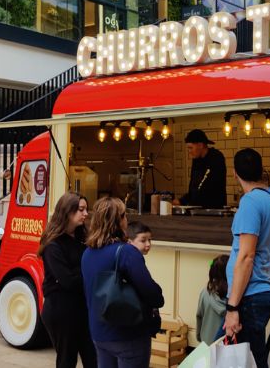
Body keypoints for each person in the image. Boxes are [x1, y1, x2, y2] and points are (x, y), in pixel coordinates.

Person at [220, 148, 270, 368]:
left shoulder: (250, 203)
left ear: (235, 174)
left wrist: (232, 308)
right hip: (264, 291)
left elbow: (246, 256)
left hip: (248, 297)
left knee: (251, 360)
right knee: (249, 357)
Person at [82, 197, 164, 368]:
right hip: (128, 334)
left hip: (99, 333)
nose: (127, 219)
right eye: (124, 215)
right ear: (118, 221)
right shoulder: (127, 252)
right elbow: (153, 294)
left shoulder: (87, 253)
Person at [38, 192, 97, 368]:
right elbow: (68, 281)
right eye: (81, 209)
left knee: (93, 359)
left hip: (82, 309)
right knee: (67, 360)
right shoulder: (52, 245)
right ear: (66, 212)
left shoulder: (82, 237)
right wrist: (89, 270)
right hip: (61, 312)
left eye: (86, 209)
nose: (86, 214)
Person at [173, 129, 226, 209]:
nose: (189, 151)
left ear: (200, 145)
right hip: (197, 210)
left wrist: (188, 201)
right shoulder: (196, 160)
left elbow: (209, 187)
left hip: (213, 209)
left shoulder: (216, 158)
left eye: (191, 148)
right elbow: (194, 187)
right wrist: (182, 201)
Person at [196, 254, 229, 343]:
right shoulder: (234, 299)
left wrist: (199, 336)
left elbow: (199, 316)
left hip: (206, 344)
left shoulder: (205, 293)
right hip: (224, 346)